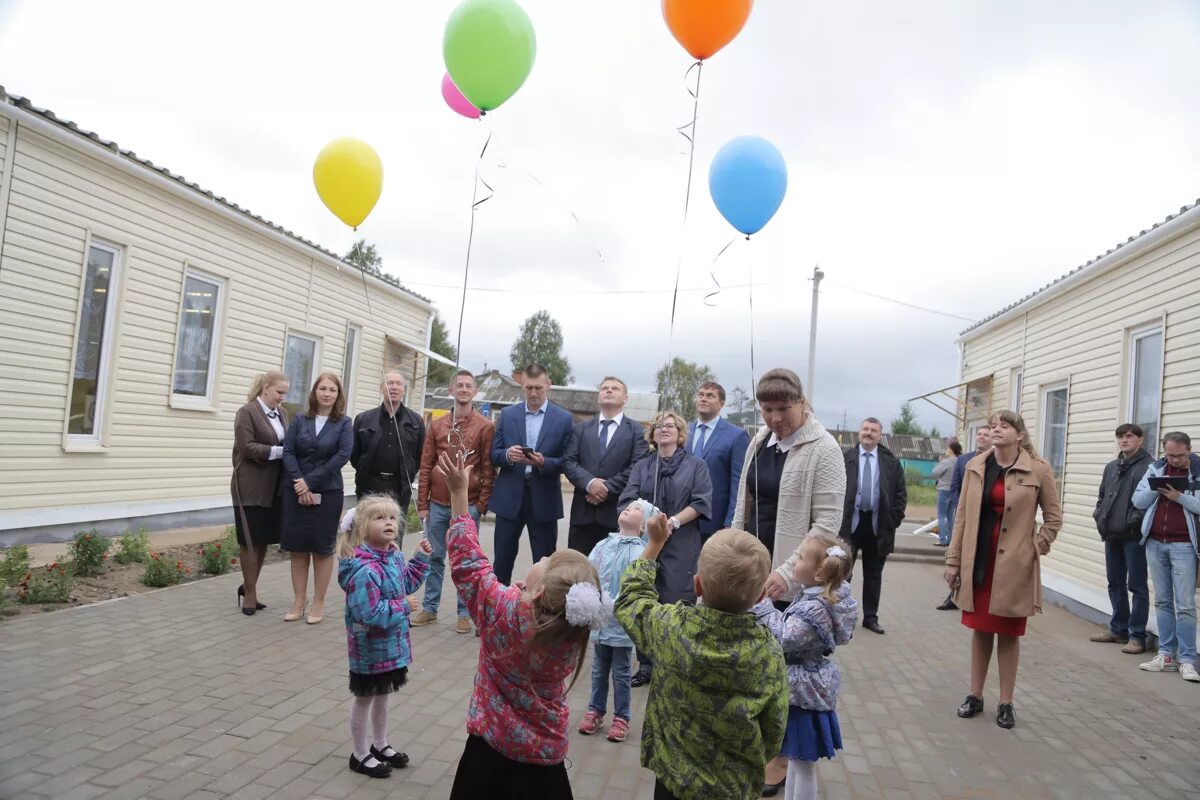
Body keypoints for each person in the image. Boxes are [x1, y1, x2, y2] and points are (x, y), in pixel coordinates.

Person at [442, 451, 607, 800]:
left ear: (539, 590)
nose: (542, 557)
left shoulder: (501, 611)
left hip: (487, 756)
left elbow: (468, 561)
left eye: (545, 561)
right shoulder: (572, 629)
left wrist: (459, 493)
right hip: (544, 766)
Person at [729, 368, 844, 797]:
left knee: (783, 666)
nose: (774, 418)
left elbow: (828, 523)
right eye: (767, 409)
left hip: (790, 578)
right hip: (752, 568)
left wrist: (786, 570)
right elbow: (743, 500)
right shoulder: (760, 441)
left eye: (783, 409)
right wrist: (732, 550)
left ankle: (780, 753)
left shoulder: (825, 448)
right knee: (750, 661)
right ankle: (754, 740)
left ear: (803, 403)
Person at [614, 521, 788, 800]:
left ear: (697, 585)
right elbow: (774, 728)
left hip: (673, 781)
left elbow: (631, 600)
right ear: (761, 595)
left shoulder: (669, 627)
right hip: (733, 786)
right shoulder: (769, 653)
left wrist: (655, 544)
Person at [944, 410, 1062, 729]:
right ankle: (975, 695)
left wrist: (1035, 548)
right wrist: (953, 559)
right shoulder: (975, 466)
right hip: (979, 558)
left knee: (1008, 634)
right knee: (981, 630)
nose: (996, 430)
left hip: (1014, 565)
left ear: (1019, 435)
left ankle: (1006, 702)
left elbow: (1053, 519)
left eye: (1004, 426)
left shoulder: (1038, 469)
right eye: (994, 426)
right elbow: (962, 517)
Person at [750, 535, 856, 800]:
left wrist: (764, 608)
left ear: (819, 574)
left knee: (803, 763)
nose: (794, 562)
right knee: (796, 758)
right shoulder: (814, 598)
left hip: (803, 695)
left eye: (799, 559)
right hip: (800, 690)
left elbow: (784, 637)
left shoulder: (815, 609)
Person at [335, 494, 432, 777]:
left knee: (383, 697)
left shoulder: (392, 556)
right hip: (369, 649)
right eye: (379, 518)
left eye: (392, 518)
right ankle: (359, 753)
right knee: (365, 699)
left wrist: (421, 558)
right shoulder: (364, 569)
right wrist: (402, 606)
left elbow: (406, 583)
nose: (388, 523)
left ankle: (380, 744)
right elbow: (370, 614)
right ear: (363, 527)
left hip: (390, 647)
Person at [618, 410, 713, 687]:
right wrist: (643, 520)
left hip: (681, 542)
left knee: (674, 597)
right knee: (645, 595)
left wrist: (672, 522)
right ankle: (646, 664)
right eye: (659, 426)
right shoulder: (642, 466)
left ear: (680, 432)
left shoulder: (697, 466)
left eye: (670, 426)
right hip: (646, 542)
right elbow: (628, 498)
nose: (664, 429)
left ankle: (673, 661)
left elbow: (701, 502)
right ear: (652, 434)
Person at [412, 369, 495, 634]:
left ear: (475, 392)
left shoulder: (485, 426)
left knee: (466, 560)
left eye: (468, 385)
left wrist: (481, 504)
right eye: (459, 385)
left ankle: (464, 612)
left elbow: (488, 467)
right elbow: (426, 465)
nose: (463, 389)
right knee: (434, 557)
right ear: (451, 390)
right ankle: (430, 608)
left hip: (468, 505)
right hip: (436, 503)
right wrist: (422, 504)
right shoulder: (437, 426)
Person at [577, 499, 655, 744]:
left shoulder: (640, 551)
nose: (628, 509)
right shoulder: (603, 544)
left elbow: (637, 584)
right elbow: (589, 571)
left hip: (621, 624)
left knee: (621, 671)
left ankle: (622, 717)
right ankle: (595, 710)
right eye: (628, 506)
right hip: (600, 623)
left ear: (643, 526)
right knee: (599, 669)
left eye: (636, 510)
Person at [489, 364, 574, 584]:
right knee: (502, 561)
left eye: (538, 388)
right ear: (522, 386)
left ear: (548, 384)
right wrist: (508, 455)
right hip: (510, 498)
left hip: (544, 498)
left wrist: (544, 462)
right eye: (529, 388)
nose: (534, 393)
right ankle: (499, 611)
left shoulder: (563, 419)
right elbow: (494, 454)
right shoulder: (508, 415)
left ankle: (541, 613)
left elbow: (568, 461)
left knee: (545, 563)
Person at [281, 372, 354, 625]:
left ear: (338, 395)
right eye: (322, 388)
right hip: (296, 492)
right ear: (315, 392)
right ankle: (298, 601)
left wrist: (310, 482)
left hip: (329, 492)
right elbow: (288, 451)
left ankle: (318, 602)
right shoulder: (300, 419)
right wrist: (300, 484)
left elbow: (342, 456)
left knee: (322, 549)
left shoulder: (344, 423)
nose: (327, 393)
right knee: (299, 549)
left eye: (332, 390)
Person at [1131, 431, 1200, 682]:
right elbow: (1138, 500)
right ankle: (1166, 655)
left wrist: (1179, 497)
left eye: (1179, 456)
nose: (1173, 461)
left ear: (1189, 450)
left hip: (1184, 546)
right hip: (1155, 543)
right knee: (1162, 601)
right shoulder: (1156, 468)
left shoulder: (1198, 472)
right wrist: (1156, 488)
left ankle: (1188, 659)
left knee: (1185, 605)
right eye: (1169, 455)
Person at [563, 376, 649, 555]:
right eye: (605, 388)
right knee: (579, 572)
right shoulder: (581, 429)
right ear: (598, 396)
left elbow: (637, 467)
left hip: (617, 515)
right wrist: (590, 484)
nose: (609, 391)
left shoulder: (637, 431)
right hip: (583, 515)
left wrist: (606, 488)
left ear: (625, 398)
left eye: (615, 389)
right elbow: (569, 461)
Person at [840, 418, 907, 635]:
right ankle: (840, 615)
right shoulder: (845, 458)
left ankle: (871, 617)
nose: (868, 433)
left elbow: (900, 494)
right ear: (859, 432)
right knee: (842, 572)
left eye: (873, 430)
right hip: (850, 524)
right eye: (865, 429)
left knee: (873, 574)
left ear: (880, 434)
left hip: (878, 526)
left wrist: (893, 519)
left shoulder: (890, 461)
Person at [1090, 424, 1152, 654]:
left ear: (1140, 440)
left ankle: (1137, 636)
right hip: (1111, 533)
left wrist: (1131, 522)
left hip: (1134, 536)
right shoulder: (1112, 467)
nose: (1124, 440)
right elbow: (1102, 496)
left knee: (1136, 585)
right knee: (1114, 582)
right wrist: (1099, 516)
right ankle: (1118, 629)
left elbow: (1149, 501)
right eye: (1120, 437)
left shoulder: (1149, 467)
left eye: (1129, 436)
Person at [231, 371, 289, 616]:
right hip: (250, 486)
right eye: (279, 392)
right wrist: (279, 452)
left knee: (263, 539)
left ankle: (249, 586)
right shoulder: (247, 412)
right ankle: (251, 595)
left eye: (285, 393)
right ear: (265, 388)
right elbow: (247, 447)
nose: (282, 398)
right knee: (249, 540)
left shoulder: (283, 414)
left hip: (274, 487)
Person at [937, 424, 995, 611]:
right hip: (965, 517)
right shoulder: (963, 460)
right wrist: (959, 507)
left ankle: (975, 595)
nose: (982, 437)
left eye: (986, 434)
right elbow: (955, 487)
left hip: (986, 519)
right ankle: (952, 595)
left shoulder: (996, 462)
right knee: (958, 556)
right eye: (979, 434)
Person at [351, 371, 425, 508]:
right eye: (390, 383)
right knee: (367, 527)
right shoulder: (363, 419)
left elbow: (421, 454)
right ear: (381, 388)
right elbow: (354, 454)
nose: (394, 387)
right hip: (369, 485)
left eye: (398, 384)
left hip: (399, 487)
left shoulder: (416, 421)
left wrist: (409, 471)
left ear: (404, 390)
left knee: (394, 528)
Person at [688, 381, 751, 541]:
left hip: (715, 522)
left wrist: (731, 520)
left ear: (721, 404)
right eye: (701, 395)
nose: (703, 399)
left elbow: (738, 482)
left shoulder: (736, 436)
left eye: (710, 396)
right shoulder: (683, 431)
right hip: (679, 519)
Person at [932, 442, 963, 547]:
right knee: (951, 517)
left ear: (951, 450)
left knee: (941, 516)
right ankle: (950, 540)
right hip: (954, 491)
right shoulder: (960, 461)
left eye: (948, 449)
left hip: (944, 489)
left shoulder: (946, 462)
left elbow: (935, 473)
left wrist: (940, 462)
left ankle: (942, 540)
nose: (947, 450)